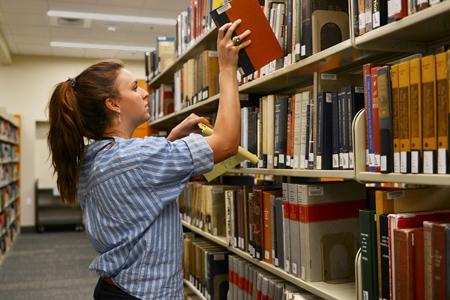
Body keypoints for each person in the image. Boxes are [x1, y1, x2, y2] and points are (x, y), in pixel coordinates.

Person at [47, 20, 251, 300]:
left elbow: (136, 187)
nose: (144, 92)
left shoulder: (95, 158)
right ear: (113, 104)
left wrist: (170, 143)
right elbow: (226, 144)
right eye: (133, 88)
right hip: (144, 294)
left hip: (116, 288)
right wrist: (227, 69)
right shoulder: (137, 158)